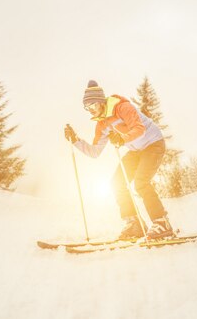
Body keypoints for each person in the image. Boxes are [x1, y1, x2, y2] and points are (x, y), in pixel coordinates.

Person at [64, 80, 174, 240]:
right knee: (117, 182)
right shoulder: (102, 124)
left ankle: (162, 222)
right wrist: (75, 140)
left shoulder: (122, 107)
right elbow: (94, 152)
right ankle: (135, 223)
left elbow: (139, 129)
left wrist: (122, 138)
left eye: (92, 105)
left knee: (141, 182)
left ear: (101, 102)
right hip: (136, 150)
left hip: (153, 144)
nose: (90, 110)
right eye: (87, 108)